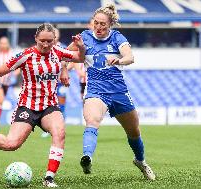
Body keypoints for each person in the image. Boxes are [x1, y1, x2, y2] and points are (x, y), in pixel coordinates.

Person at [0, 23, 85, 187]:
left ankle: (49, 178)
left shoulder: (58, 52)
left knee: (60, 132)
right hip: (27, 106)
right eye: (42, 40)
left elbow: (80, 57)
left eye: (49, 41)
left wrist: (80, 47)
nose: (45, 44)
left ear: (54, 40)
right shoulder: (26, 55)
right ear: (36, 38)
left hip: (49, 106)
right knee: (11, 144)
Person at [65, 5, 156, 180]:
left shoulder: (116, 37)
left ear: (110, 25)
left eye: (103, 25)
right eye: (96, 23)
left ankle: (140, 161)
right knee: (92, 120)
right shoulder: (84, 37)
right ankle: (87, 157)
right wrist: (63, 69)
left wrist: (120, 59)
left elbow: (130, 57)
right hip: (96, 90)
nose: (98, 27)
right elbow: (64, 54)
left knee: (134, 132)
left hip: (118, 91)